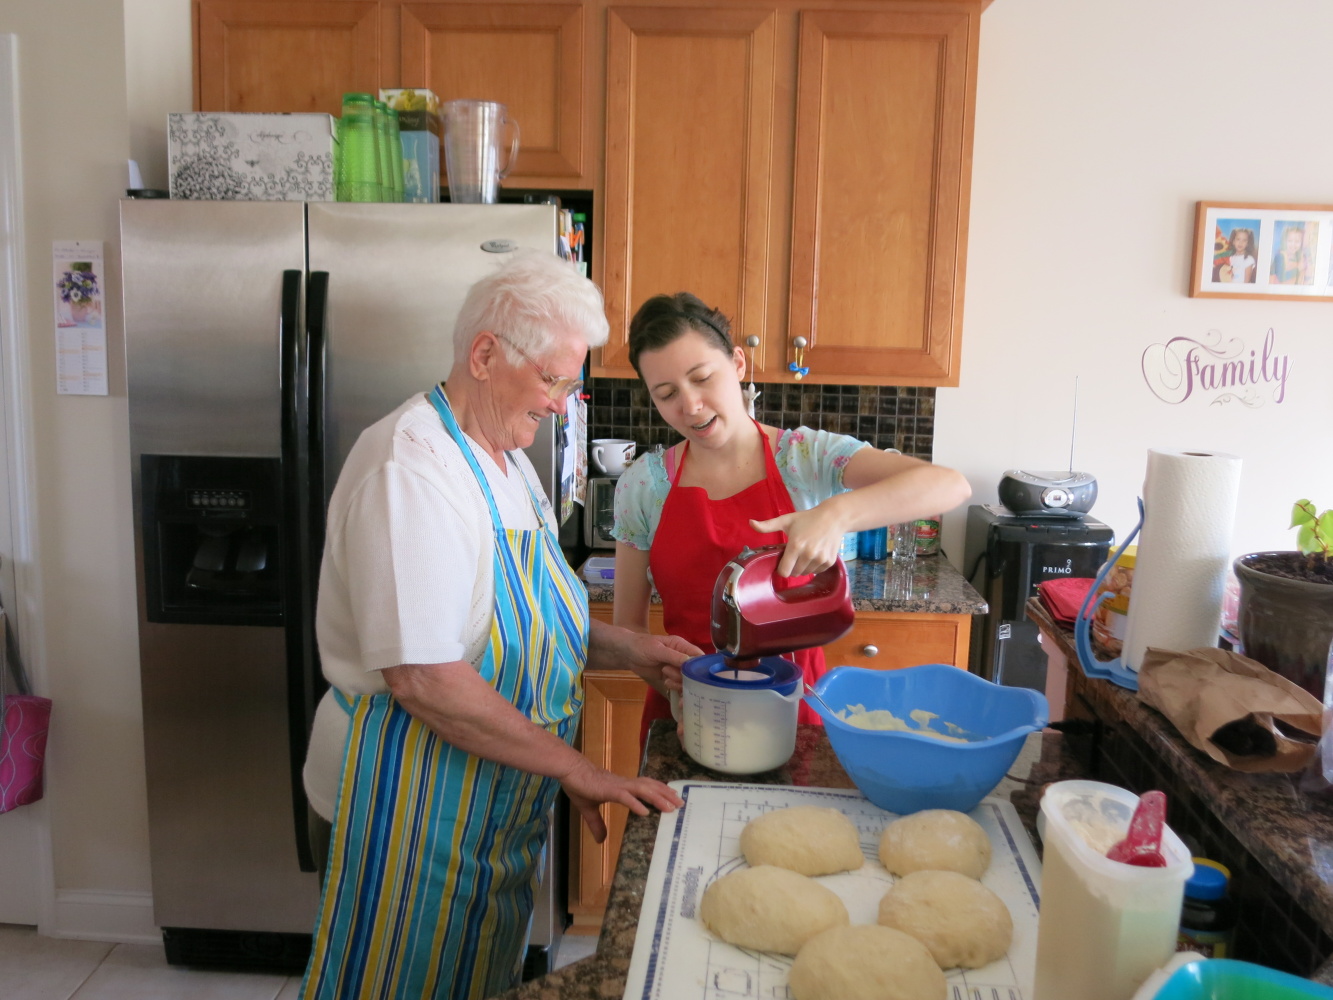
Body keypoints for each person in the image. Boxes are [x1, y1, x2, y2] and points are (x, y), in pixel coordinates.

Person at [298, 251, 694, 1000]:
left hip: (482, 797)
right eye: (554, 381)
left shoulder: (503, 460)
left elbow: (513, 620)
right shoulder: (411, 470)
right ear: (484, 355)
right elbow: (424, 677)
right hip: (402, 802)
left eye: (570, 386)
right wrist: (575, 767)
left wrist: (627, 647)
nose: (562, 406)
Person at [610, 293, 973, 749]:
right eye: (667, 394)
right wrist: (686, 694)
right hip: (687, 713)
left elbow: (949, 485)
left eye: (702, 378)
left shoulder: (805, 458)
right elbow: (628, 629)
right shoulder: (645, 485)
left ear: (738, 363)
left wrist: (834, 515)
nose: (691, 405)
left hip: (792, 710)